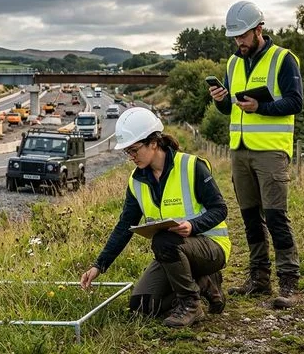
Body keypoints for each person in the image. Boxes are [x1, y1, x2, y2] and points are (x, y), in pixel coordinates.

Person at [80, 107, 231, 328]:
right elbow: (124, 226)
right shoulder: (136, 181)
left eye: (134, 150)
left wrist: (193, 226)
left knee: (163, 241)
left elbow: (220, 209)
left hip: (211, 247)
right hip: (173, 252)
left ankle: (190, 305)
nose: (131, 157)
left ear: (153, 143)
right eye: (127, 152)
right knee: (141, 305)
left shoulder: (191, 166)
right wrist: (99, 266)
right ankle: (203, 283)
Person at [207, 0, 304, 309]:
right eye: (235, 37)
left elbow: (296, 102)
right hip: (240, 151)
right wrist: (220, 99)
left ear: (259, 29)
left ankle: (289, 282)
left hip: (271, 152)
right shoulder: (233, 63)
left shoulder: (283, 59)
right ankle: (259, 278)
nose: (239, 42)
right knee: (250, 217)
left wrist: (261, 107)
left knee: (275, 217)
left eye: (243, 35)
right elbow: (229, 109)